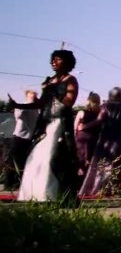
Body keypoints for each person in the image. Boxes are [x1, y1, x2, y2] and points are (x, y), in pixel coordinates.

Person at [12, 50, 80, 202]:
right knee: (35, 156)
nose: (53, 62)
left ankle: (53, 195)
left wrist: (53, 92)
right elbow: (41, 103)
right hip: (44, 122)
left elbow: (69, 101)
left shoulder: (71, 80)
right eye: (52, 59)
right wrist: (18, 104)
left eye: (57, 59)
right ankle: (34, 195)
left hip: (59, 124)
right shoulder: (49, 81)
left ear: (67, 61)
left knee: (51, 156)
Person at [78, 87, 121, 197]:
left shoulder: (105, 106)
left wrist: (84, 126)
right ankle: (120, 188)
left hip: (107, 139)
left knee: (103, 165)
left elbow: (99, 120)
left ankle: (100, 188)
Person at [1, 90, 39, 191]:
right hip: (19, 136)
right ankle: (9, 183)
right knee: (12, 161)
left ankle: (16, 183)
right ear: (27, 96)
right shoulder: (23, 106)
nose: (33, 97)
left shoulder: (36, 109)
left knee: (20, 162)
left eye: (35, 95)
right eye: (31, 95)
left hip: (28, 138)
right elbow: (18, 117)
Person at [74, 92, 101, 179]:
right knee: (90, 161)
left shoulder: (81, 112)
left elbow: (75, 127)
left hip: (81, 139)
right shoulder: (100, 114)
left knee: (80, 160)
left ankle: (78, 181)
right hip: (94, 140)